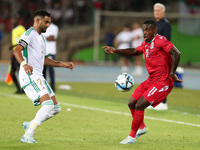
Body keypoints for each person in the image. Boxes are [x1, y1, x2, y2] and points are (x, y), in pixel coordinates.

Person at [103, 19, 182, 144]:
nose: (144, 33)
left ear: (154, 30)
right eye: (143, 30)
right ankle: (142, 127)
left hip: (163, 82)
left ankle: (132, 136)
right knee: (131, 103)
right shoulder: (145, 43)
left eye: (147, 30)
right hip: (151, 80)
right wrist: (115, 50)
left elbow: (177, 53)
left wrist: (172, 73)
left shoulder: (160, 40)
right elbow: (134, 51)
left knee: (140, 105)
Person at [13, 10, 74, 143]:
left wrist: (63, 64)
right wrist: (24, 64)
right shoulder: (29, 34)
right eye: (46, 22)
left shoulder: (41, 38)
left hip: (38, 76)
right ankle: (28, 135)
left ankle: (31, 124)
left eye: (49, 23)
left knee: (56, 108)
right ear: (37, 21)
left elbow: (45, 60)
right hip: (29, 75)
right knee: (47, 105)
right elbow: (17, 50)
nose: (48, 25)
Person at [152, 3, 172, 110]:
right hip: (153, 56)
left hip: (162, 56)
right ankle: (156, 101)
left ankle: (163, 103)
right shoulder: (154, 24)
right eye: (155, 10)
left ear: (163, 12)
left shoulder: (166, 24)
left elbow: (166, 42)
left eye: (158, 10)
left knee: (162, 80)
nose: (156, 12)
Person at [9, 15, 26, 94]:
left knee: (20, 71)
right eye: (12, 18)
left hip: (20, 53)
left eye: (14, 18)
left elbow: (25, 40)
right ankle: (19, 89)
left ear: (18, 20)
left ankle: (24, 89)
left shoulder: (21, 28)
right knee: (12, 72)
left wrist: (14, 46)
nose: (13, 20)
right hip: (14, 53)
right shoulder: (14, 30)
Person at [42, 21, 59, 92]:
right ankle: (44, 86)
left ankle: (52, 87)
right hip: (43, 51)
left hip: (51, 51)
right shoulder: (43, 27)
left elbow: (52, 37)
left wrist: (43, 38)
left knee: (50, 69)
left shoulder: (54, 27)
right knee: (43, 70)